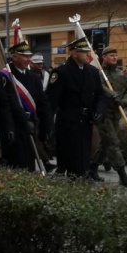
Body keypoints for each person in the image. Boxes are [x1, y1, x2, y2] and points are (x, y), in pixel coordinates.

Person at [46, 37, 107, 180]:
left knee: (85, 153)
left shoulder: (92, 72)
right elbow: (51, 101)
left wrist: (100, 110)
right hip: (68, 121)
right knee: (71, 155)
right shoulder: (61, 73)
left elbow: (101, 95)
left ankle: (83, 176)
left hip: (86, 121)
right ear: (73, 53)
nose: (88, 55)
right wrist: (48, 125)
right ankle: (74, 177)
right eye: (84, 52)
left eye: (88, 52)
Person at [2, 40, 53, 172]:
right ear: (14, 57)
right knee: (16, 166)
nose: (29, 59)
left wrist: (46, 126)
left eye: (29, 56)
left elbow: (43, 102)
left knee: (29, 164)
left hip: (31, 127)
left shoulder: (34, 77)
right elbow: (5, 105)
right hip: (14, 127)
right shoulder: (6, 77)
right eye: (25, 56)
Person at [92, 47, 127, 186]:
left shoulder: (120, 74)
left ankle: (92, 168)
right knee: (113, 143)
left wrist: (125, 101)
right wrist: (113, 95)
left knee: (106, 143)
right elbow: (100, 88)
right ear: (104, 57)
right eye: (111, 55)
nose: (114, 58)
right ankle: (122, 175)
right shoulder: (99, 73)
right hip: (104, 113)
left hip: (117, 113)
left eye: (116, 55)